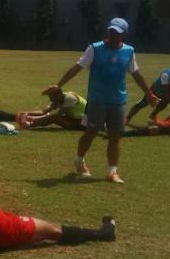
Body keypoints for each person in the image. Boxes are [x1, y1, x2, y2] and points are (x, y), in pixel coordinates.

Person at [50, 18, 158, 183]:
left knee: (115, 137)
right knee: (91, 133)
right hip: (97, 101)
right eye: (111, 31)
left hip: (118, 102)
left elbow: (136, 74)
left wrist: (148, 94)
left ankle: (112, 172)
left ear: (124, 34)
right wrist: (58, 85)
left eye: (117, 32)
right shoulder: (95, 48)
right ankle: (79, 161)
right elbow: (77, 67)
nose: (113, 35)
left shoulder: (129, 51)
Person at [19, 87, 86, 130]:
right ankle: (29, 123)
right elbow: (43, 111)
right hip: (75, 119)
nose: (50, 99)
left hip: (83, 123)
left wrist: (33, 119)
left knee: (54, 117)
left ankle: (29, 125)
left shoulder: (70, 98)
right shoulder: (59, 98)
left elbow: (58, 115)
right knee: (49, 115)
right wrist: (27, 113)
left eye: (52, 97)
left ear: (59, 95)